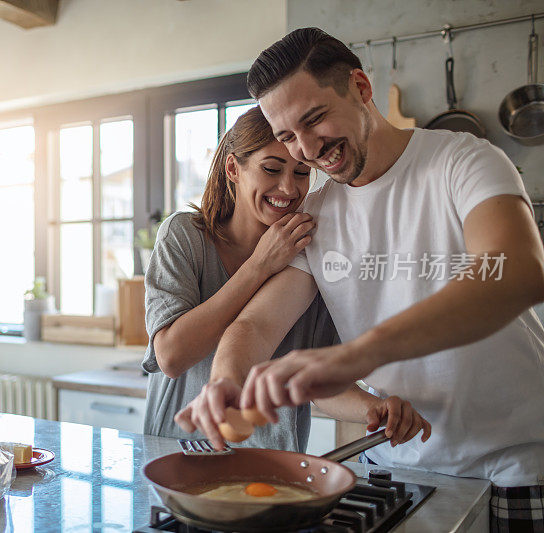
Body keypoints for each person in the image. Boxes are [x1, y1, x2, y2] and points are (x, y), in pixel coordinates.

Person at [175, 28, 544, 532]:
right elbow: (256, 327)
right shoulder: (318, 212)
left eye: (314, 119)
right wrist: (225, 382)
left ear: (360, 88)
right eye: (286, 136)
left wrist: (356, 356)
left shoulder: (464, 160)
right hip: (395, 467)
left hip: (511, 468)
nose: (305, 150)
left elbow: (516, 271)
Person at [145, 106, 430, 452]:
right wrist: (259, 266)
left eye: (300, 172)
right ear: (233, 168)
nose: (288, 188)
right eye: (271, 169)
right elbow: (171, 357)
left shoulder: (312, 246)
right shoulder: (184, 236)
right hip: (178, 448)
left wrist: (374, 408)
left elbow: (317, 380)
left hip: (271, 462)